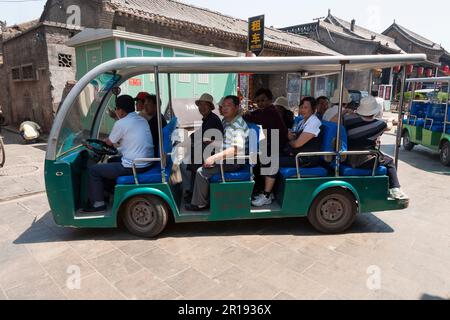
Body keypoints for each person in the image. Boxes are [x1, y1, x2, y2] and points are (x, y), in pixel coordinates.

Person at [84, 95, 154, 213]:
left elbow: (109, 143)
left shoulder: (121, 123)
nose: (116, 111)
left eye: (116, 108)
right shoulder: (141, 119)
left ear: (121, 110)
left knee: (94, 171)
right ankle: (106, 193)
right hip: (146, 162)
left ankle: (98, 204)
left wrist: (98, 144)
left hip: (134, 166)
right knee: (111, 161)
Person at [252, 97, 323, 207]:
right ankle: (269, 193)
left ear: (313, 109)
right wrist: (291, 137)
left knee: (272, 161)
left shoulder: (314, 122)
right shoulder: (303, 121)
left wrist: (289, 138)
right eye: (301, 107)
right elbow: (295, 137)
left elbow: (297, 144)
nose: (303, 110)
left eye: (306, 107)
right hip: (296, 154)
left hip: (306, 158)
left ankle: (266, 195)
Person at [185, 95, 249, 211]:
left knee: (201, 171)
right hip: (226, 155)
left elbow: (235, 149)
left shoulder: (237, 126)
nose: (224, 108)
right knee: (198, 156)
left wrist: (213, 158)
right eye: (223, 106)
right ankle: (198, 193)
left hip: (233, 161)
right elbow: (226, 142)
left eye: (228, 106)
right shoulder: (228, 121)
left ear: (236, 107)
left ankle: (200, 203)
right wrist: (214, 142)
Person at [343, 96, 408, 200]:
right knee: (390, 162)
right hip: (364, 160)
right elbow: (389, 127)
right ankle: (395, 188)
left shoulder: (348, 119)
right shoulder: (378, 125)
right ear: (374, 112)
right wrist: (391, 120)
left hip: (347, 157)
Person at [243, 89, 289, 201]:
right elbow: (254, 114)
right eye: (258, 101)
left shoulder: (271, 112)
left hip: (280, 147)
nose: (260, 103)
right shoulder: (264, 110)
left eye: (263, 100)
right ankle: (266, 191)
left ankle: (267, 195)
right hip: (272, 144)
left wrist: (246, 115)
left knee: (266, 160)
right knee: (257, 160)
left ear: (270, 100)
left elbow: (255, 117)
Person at [181, 93, 224, 203]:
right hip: (208, 151)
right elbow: (200, 134)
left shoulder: (212, 120)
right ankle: (191, 191)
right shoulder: (207, 119)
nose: (202, 107)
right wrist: (190, 138)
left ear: (210, 107)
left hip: (213, 153)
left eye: (206, 105)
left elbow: (205, 139)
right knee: (189, 159)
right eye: (200, 104)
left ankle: (193, 194)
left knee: (185, 163)